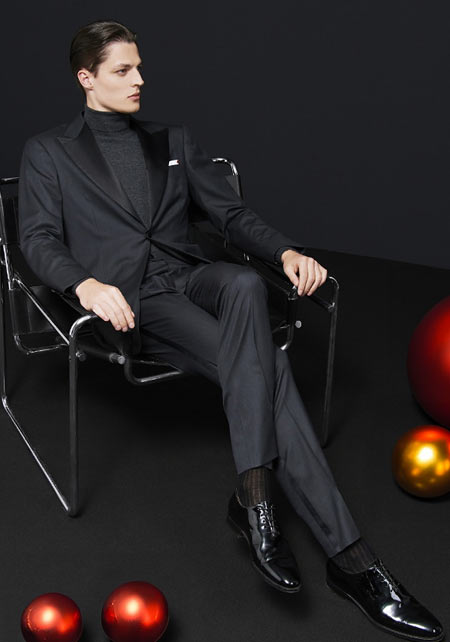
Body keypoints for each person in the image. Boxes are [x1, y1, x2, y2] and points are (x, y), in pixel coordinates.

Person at [18, 20, 444, 642]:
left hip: (190, 277)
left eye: (140, 67)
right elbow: (36, 239)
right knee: (271, 368)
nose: (140, 80)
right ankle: (355, 563)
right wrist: (83, 284)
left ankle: (254, 495)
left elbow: (231, 215)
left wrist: (287, 252)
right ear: (86, 78)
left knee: (243, 282)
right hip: (134, 301)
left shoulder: (173, 139)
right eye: (123, 71)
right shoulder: (48, 152)